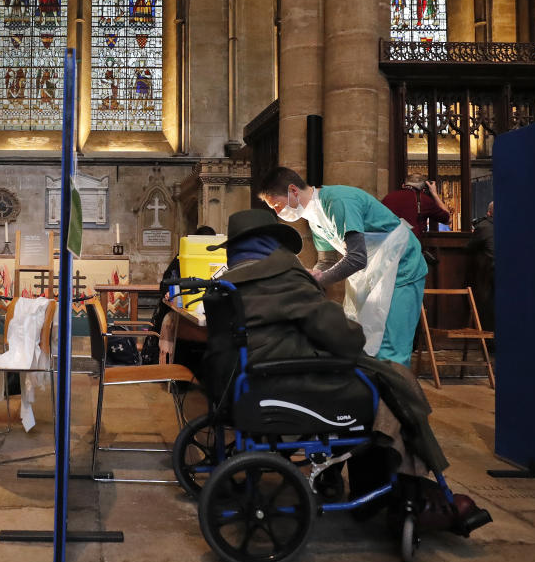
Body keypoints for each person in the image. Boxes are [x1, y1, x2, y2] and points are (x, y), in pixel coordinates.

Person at [206, 209, 489, 531]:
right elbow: (341, 336)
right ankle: (405, 493)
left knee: (383, 383)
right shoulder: (281, 278)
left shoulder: (226, 283)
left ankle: (392, 487)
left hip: (247, 380)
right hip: (285, 380)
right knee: (391, 385)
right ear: (272, 244)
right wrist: (355, 333)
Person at [257, 167, 428, 365]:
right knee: (362, 340)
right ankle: (371, 393)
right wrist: (309, 275)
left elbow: (356, 258)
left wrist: (319, 278)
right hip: (372, 271)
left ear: (293, 191)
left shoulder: (337, 201)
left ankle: (397, 394)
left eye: (277, 205)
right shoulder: (315, 220)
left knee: (391, 348)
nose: (278, 212)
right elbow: (326, 261)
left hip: (402, 266)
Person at [150, 225, 216, 367]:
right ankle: (177, 372)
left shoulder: (220, 258)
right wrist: (168, 291)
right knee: (177, 325)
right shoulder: (183, 257)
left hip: (204, 309)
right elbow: (166, 282)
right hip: (179, 308)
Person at [381, 173, 451, 244]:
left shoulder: (388, 198)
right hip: (411, 246)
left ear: (403, 185)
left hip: (388, 244)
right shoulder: (424, 199)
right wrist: (434, 194)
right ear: (424, 189)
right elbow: (448, 219)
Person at [468, 202, 495, 331]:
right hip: (507, 270)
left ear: (488, 213)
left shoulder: (483, 226)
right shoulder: (510, 225)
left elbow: (470, 247)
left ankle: (488, 339)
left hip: (488, 270)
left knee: (487, 303)